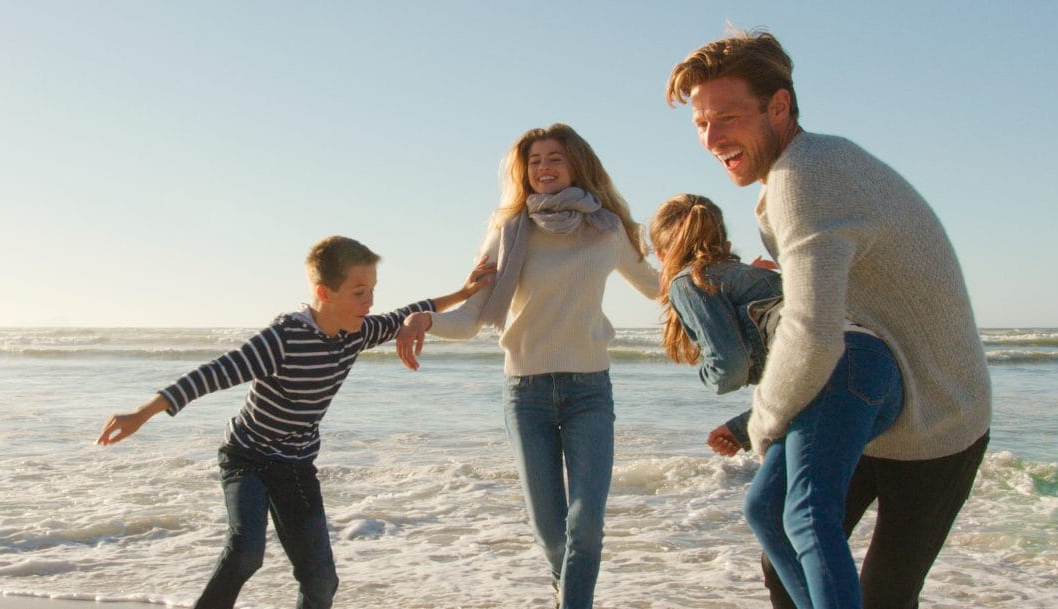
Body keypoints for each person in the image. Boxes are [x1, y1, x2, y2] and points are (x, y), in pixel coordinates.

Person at [665, 30, 993, 609]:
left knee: (884, 592)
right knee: (774, 527)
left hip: (938, 417)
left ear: (780, 106)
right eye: (700, 124)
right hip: (872, 392)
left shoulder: (805, 178)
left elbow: (813, 334)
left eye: (728, 117)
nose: (712, 138)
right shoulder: (798, 177)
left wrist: (760, 423)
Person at [96, 236, 494, 609]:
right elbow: (213, 373)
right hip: (246, 457)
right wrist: (142, 413)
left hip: (296, 466)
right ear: (324, 293)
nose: (370, 302)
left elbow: (407, 313)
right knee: (246, 553)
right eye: (359, 293)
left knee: (321, 581)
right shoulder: (282, 339)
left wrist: (463, 293)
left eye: (373, 290)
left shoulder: (356, 331)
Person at [393, 123, 660, 609]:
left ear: (576, 164)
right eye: (534, 161)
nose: (543, 168)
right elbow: (474, 316)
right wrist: (423, 319)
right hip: (526, 395)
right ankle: (568, 594)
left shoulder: (607, 229)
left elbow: (657, 288)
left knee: (587, 523)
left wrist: (723, 276)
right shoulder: (509, 231)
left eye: (553, 158)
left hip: (589, 392)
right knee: (551, 533)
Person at [647, 193, 778, 458]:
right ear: (723, 242)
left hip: (824, 389)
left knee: (777, 499)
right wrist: (741, 430)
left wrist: (708, 377)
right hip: (861, 370)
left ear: (661, 256)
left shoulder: (687, 283)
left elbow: (730, 369)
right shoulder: (750, 278)